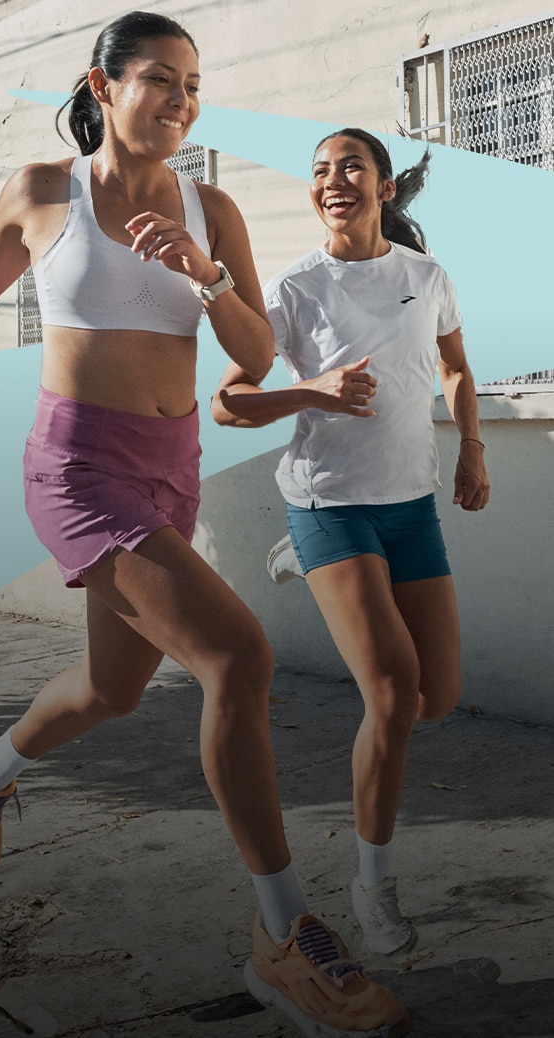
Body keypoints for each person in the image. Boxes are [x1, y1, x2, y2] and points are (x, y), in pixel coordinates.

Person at [0, 19, 411, 1037]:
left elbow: (253, 352)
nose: (180, 99)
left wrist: (203, 272)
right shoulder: (45, 193)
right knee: (237, 659)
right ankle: (281, 938)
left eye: (194, 86)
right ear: (104, 85)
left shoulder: (207, 206)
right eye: (160, 80)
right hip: (77, 466)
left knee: (112, 690)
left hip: (172, 469)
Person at [212, 127, 490, 959]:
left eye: (351, 168)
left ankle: (314, 566)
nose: (334, 181)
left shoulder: (425, 277)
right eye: (321, 172)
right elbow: (230, 401)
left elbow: (456, 367)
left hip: (408, 503)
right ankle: (373, 883)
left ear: (384, 186)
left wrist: (472, 444)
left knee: (437, 696)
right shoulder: (298, 287)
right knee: (394, 696)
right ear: (314, 194)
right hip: (331, 503)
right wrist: (312, 390)